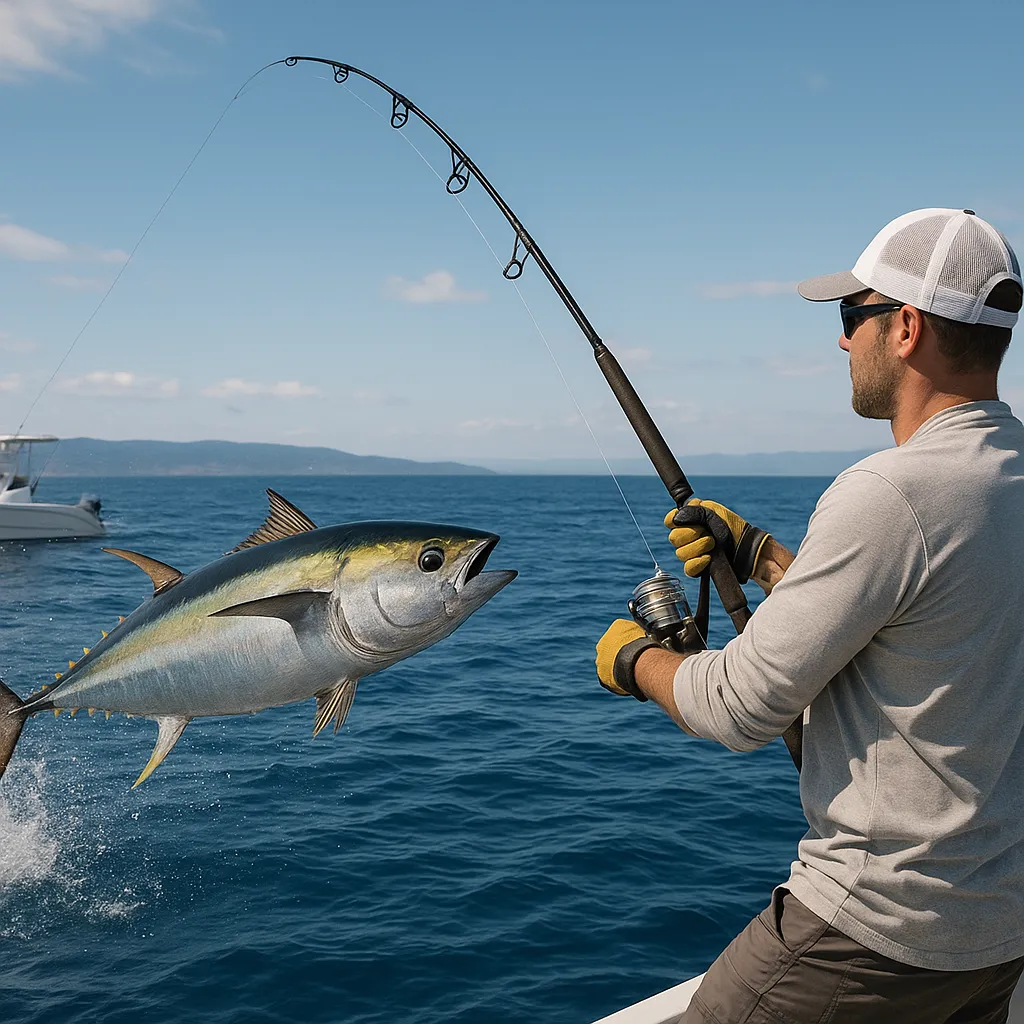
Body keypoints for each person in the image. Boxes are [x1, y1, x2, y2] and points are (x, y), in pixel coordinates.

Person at [595, 208, 1024, 1023]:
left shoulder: (889, 493)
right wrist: (760, 554)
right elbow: (931, 623)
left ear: (904, 328)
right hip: (996, 932)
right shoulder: (1006, 476)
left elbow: (737, 707)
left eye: (850, 317)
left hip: (874, 934)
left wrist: (630, 661)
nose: (840, 343)